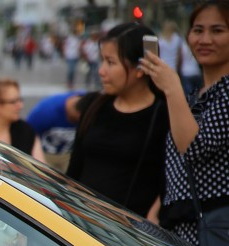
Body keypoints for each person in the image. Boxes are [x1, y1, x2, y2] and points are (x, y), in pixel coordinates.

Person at [141, 0, 229, 246]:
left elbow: (193, 148)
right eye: (198, 30)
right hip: (184, 222)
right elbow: (178, 163)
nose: (205, 39)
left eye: (218, 30)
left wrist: (171, 87)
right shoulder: (199, 95)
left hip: (215, 226)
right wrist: (158, 210)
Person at [66, 23, 169, 219]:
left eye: (110, 62)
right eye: (102, 61)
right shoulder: (94, 105)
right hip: (79, 224)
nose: (101, 71)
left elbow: (168, 182)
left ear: (140, 68)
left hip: (126, 237)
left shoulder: (163, 114)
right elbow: (75, 168)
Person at [0, 79, 45, 162]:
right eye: (13, 102)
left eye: (20, 100)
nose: (20, 106)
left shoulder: (26, 131)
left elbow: (40, 166)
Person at [26, 90, 92, 172]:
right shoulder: (45, 112)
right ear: (76, 113)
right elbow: (27, 134)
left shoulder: (88, 102)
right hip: (46, 153)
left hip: (69, 154)